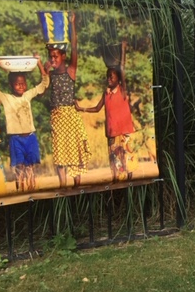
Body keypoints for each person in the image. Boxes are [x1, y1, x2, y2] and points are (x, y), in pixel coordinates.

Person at [0, 55, 49, 191]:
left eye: (23, 83)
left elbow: (44, 85)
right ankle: (20, 190)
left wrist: (39, 64)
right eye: (17, 83)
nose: (21, 86)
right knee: (19, 166)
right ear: (11, 85)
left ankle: (31, 189)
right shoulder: (6, 98)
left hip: (30, 137)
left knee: (30, 166)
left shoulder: (27, 95)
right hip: (16, 139)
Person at [76, 40, 135, 182]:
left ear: (118, 79)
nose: (108, 79)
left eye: (112, 77)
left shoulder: (122, 91)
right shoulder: (106, 93)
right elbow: (97, 108)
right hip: (111, 132)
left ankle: (130, 180)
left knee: (126, 157)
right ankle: (115, 180)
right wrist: (81, 108)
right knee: (113, 158)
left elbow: (122, 67)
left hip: (123, 131)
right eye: (107, 77)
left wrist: (123, 50)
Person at [47, 11, 92, 188]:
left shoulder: (70, 71)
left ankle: (77, 185)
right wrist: (43, 70)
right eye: (51, 56)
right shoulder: (50, 74)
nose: (53, 59)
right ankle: (63, 186)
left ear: (63, 57)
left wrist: (72, 23)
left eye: (56, 56)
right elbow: (44, 92)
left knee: (75, 152)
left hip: (70, 116)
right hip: (57, 117)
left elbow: (74, 46)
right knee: (59, 153)